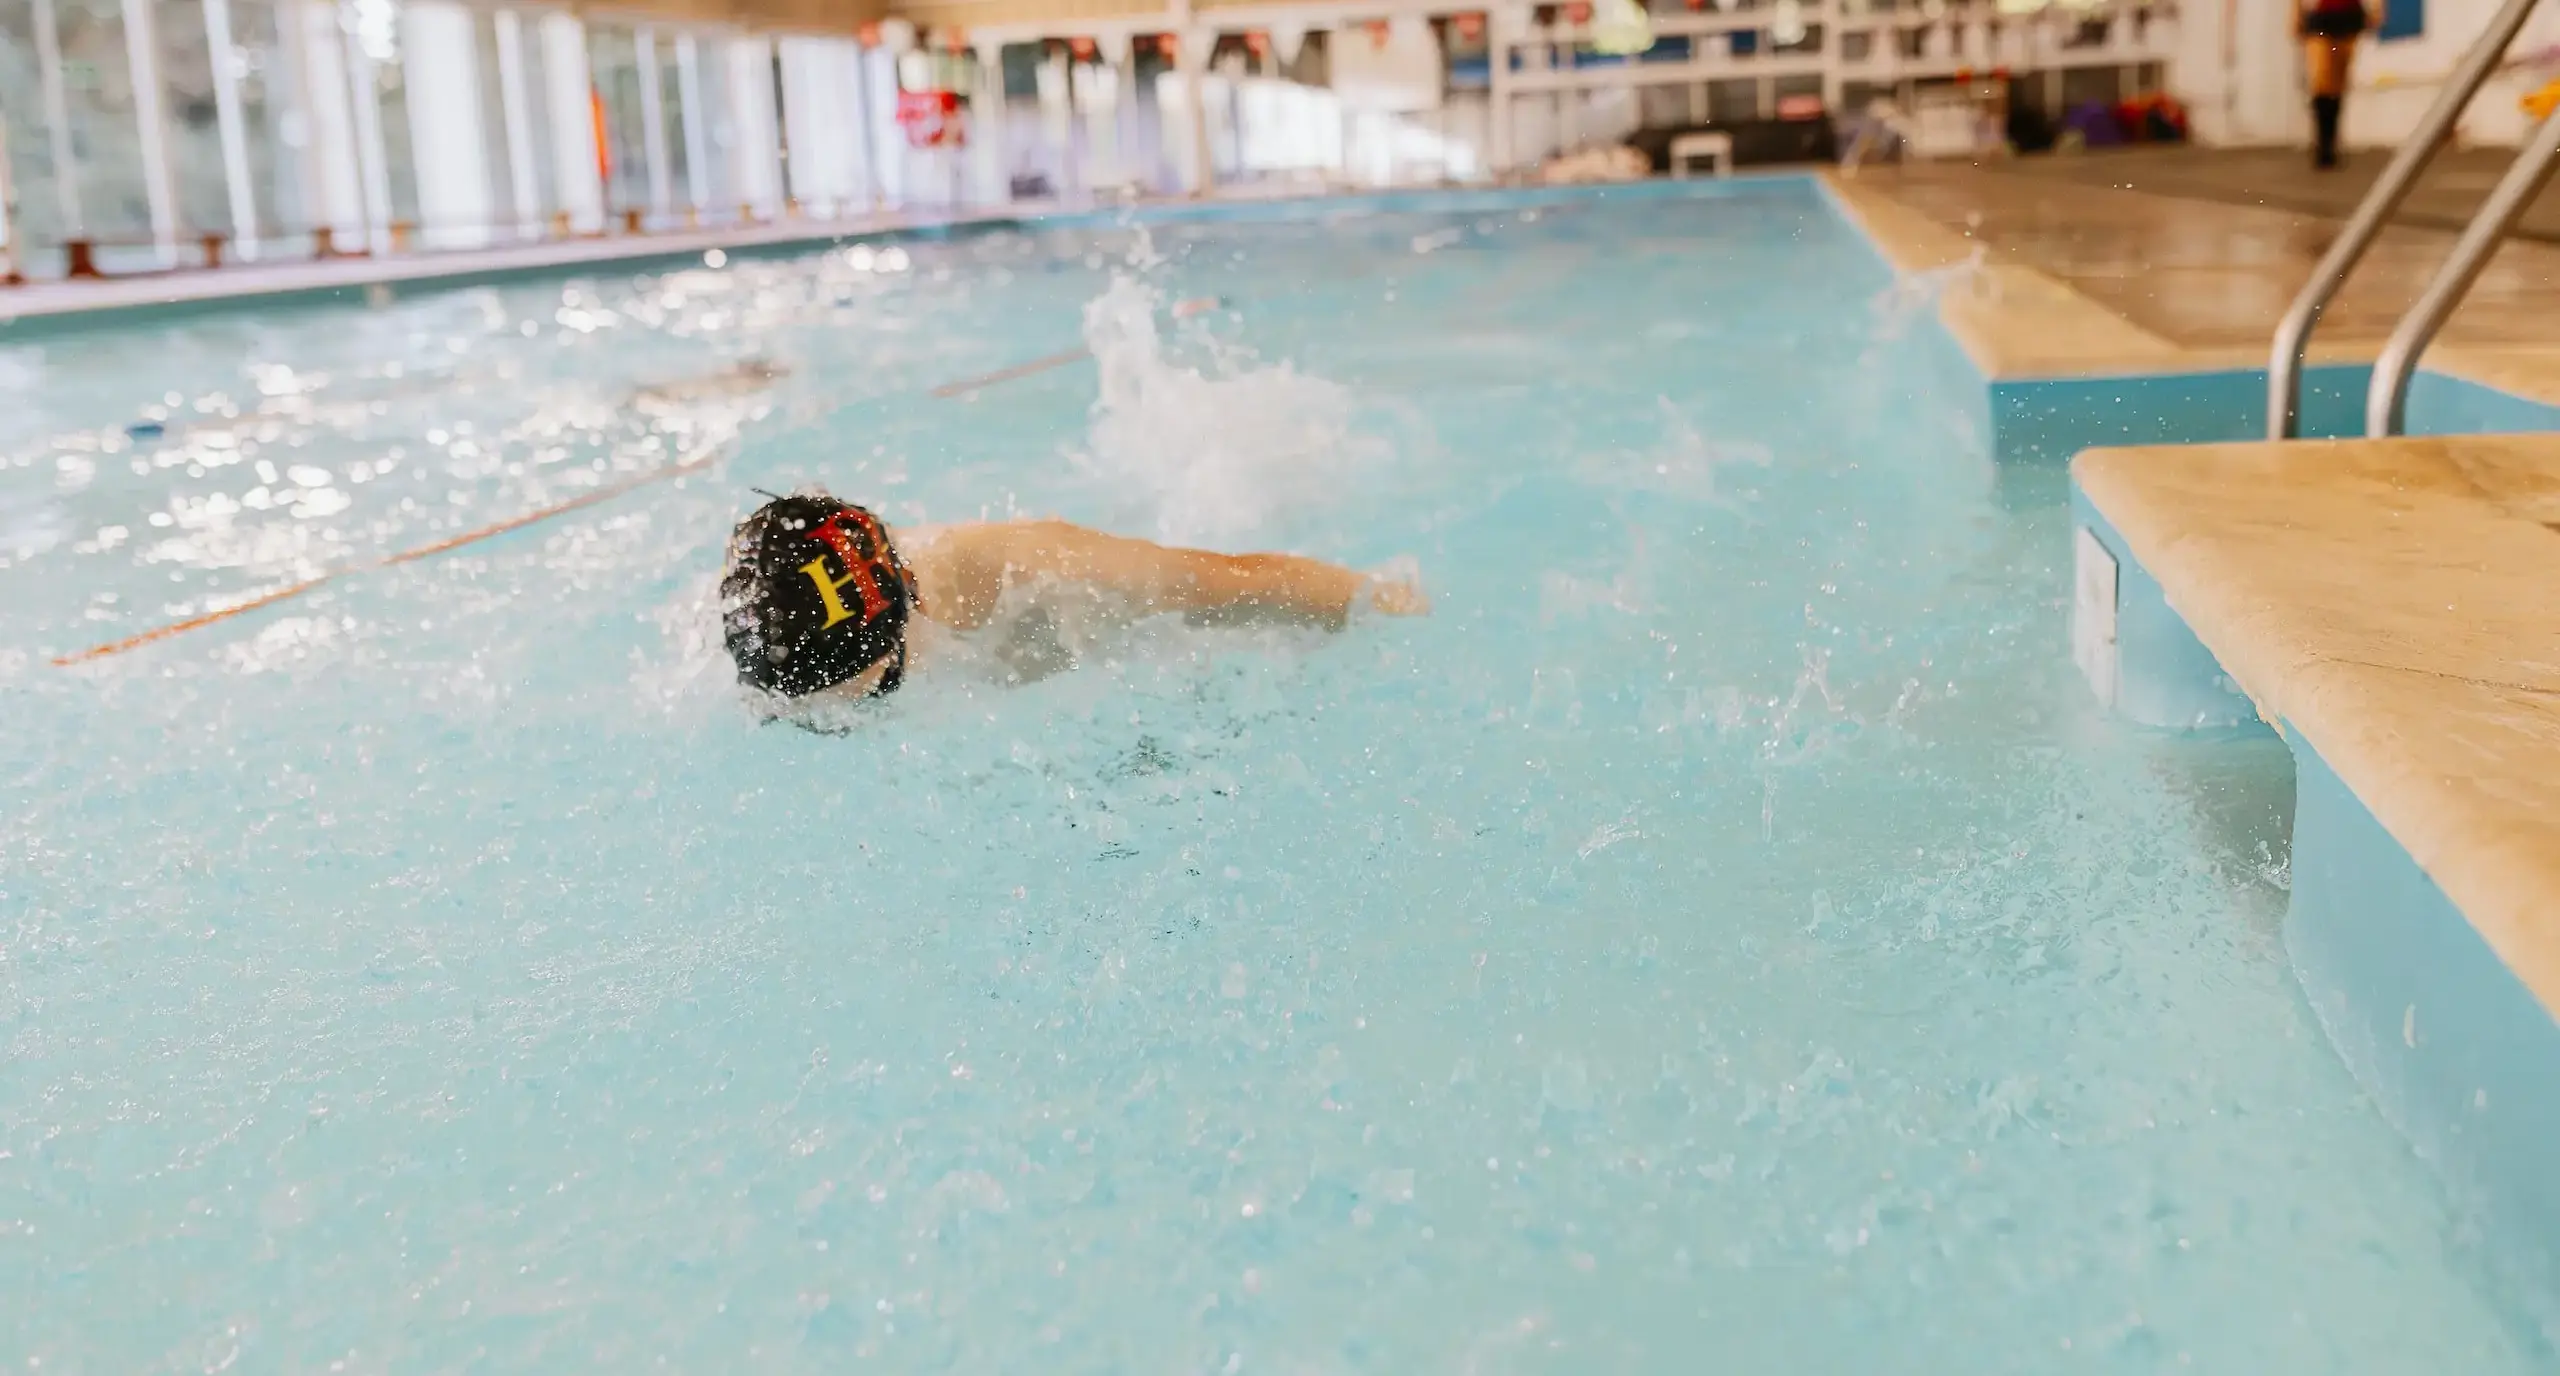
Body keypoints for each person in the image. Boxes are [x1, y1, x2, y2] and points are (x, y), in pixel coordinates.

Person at [719, 490, 1429, 711]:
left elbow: (1246, 580)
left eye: (865, 691)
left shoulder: (1048, 575)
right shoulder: (775, 610)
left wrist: (1388, 604)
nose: (830, 712)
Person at [2301, 0, 2379, 170]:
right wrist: (2296, 12)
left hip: (2348, 14)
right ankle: (2323, 143)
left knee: (2339, 83)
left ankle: (2331, 142)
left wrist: (2377, 6)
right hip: (2320, 15)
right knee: (2322, 78)